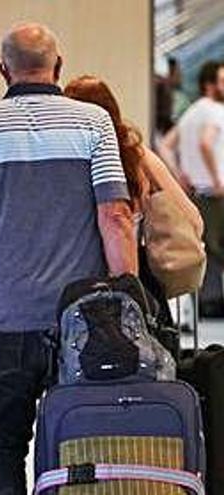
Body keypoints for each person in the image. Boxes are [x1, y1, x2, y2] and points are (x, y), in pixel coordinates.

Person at [0, 23, 137, 494]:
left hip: (3, 320)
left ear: (3, 70)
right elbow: (115, 215)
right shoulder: (93, 123)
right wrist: (126, 296)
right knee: (79, 438)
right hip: (81, 321)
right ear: (58, 67)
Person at [65, 75, 203, 324]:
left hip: (76, 287)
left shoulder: (66, 162)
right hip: (137, 285)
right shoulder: (138, 157)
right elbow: (192, 219)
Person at [159, 61, 224, 316]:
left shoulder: (192, 112)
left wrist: (179, 174)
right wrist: (217, 178)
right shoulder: (215, 111)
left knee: (206, 248)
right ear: (209, 85)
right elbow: (207, 144)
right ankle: (214, 302)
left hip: (197, 191)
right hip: (215, 191)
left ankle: (209, 302)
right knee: (216, 248)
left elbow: (165, 144)